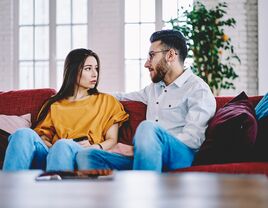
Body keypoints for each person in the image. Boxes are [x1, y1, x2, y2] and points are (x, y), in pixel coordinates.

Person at [76, 29, 216, 172]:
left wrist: (137, 149)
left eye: (151, 55)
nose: (146, 64)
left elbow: (193, 139)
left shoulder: (198, 89)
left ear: (171, 55)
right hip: (146, 155)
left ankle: (145, 191)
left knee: (147, 128)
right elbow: (121, 96)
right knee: (87, 155)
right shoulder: (154, 89)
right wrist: (83, 94)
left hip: (181, 155)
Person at [3, 48, 129, 171]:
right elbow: (43, 136)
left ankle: (57, 190)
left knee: (62, 144)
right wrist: (48, 144)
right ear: (73, 71)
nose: (94, 74)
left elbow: (112, 140)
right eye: (88, 69)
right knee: (22, 133)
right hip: (51, 154)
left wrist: (95, 147)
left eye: (96, 68)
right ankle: (8, 188)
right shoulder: (55, 104)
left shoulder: (107, 101)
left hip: (81, 152)